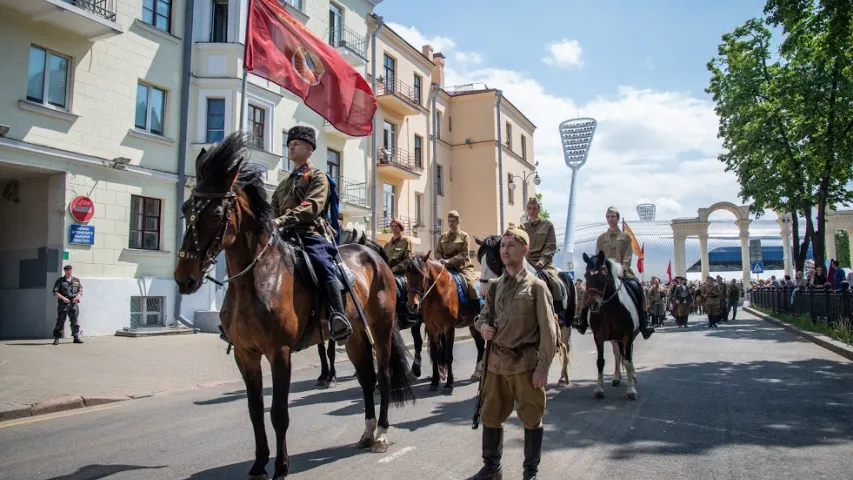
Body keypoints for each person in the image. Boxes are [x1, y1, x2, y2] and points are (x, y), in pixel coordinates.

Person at [470, 227, 558, 480]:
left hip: (525, 365)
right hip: (496, 364)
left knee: (531, 417)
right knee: (491, 415)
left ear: (525, 250)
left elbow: (549, 331)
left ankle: (530, 472)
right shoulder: (495, 286)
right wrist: (482, 326)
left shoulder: (537, 287)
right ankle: (491, 469)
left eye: (511, 245)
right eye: (503, 245)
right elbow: (484, 316)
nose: (505, 250)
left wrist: (542, 368)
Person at [270, 126, 351, 345]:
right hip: (284, 236)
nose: (291, 147)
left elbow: (311, 206)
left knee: (321, 264)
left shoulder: (317, 176)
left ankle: (338, 316)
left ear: (309, 148)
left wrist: (281, 220)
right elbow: (273, 209)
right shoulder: (284, 184)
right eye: (289, 144)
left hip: (310, 234)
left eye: (295, 144)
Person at [575, 206, 654, 339]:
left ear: (617, 218)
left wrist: (623, 268)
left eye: (613, 216)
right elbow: (597, 257)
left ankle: (644, 322)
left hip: (622, 272)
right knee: (589, 290)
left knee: (638, 288)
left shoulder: (626, 237)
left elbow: (628, 254)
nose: (610, 219)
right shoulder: (601, 238)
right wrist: (599, 269)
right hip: (605, 273)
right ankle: (582, 320)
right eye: (608, 216)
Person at [521, 196, 563, 314]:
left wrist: (542, 260)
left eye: (534, 208)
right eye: (529, 208)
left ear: (539, 209)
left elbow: (550, 245)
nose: (532, 211)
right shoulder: (522, 227)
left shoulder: (548, 225)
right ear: (526, 210)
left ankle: (559, 312)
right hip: (525, 262)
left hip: (543, 264)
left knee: (554, 282)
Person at [437, 210, 480, 314]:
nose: (451, 223)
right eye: (449, 221)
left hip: (462, 268)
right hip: (445, 268)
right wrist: (440, 260)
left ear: (458, 222)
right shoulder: (443, 236)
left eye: (453, 221)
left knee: (472, 287)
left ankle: (478, 313)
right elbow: (437, 252)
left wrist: (449, 261)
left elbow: (464, 254)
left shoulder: (464, 236)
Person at [52, 265, 83, 345]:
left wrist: (77, 297)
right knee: (61, 320)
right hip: (64, 303)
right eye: (68, 270)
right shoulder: (60, 281)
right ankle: (57, 337)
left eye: (70, 270)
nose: (69, 272)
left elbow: (80, 291)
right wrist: (63, 298)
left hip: (73, 303)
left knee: (74, 321)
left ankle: (76, 337)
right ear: (65, 271)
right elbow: (55, 292)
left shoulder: (76, 280)